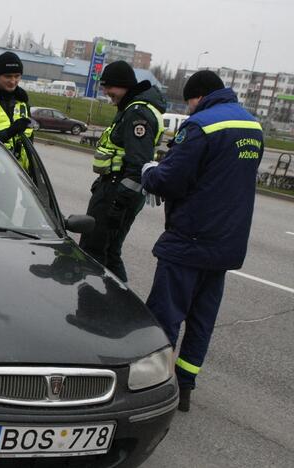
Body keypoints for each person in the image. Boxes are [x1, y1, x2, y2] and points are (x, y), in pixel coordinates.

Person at [140, 71, 263, 412]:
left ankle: (154, 385)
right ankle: (186, 385)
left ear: (198, 97)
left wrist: (150, 171)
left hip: (190, 240)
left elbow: (171, 179)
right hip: (226, 244)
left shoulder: (200, 125)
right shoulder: (253, 126)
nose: (191, 109)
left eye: (191, 102)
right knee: (202, 319)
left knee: (166, 315)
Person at [78, 60, 167, 282]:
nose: (107, 93)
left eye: (110, 87)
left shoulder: (137, 113)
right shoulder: (131, 108)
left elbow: (138, 166)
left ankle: (94, 307)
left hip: (118, 192)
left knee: (95, 251)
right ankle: (117, 307)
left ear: (124, 84)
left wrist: (118, 204)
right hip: (114, 188)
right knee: (107, 252)